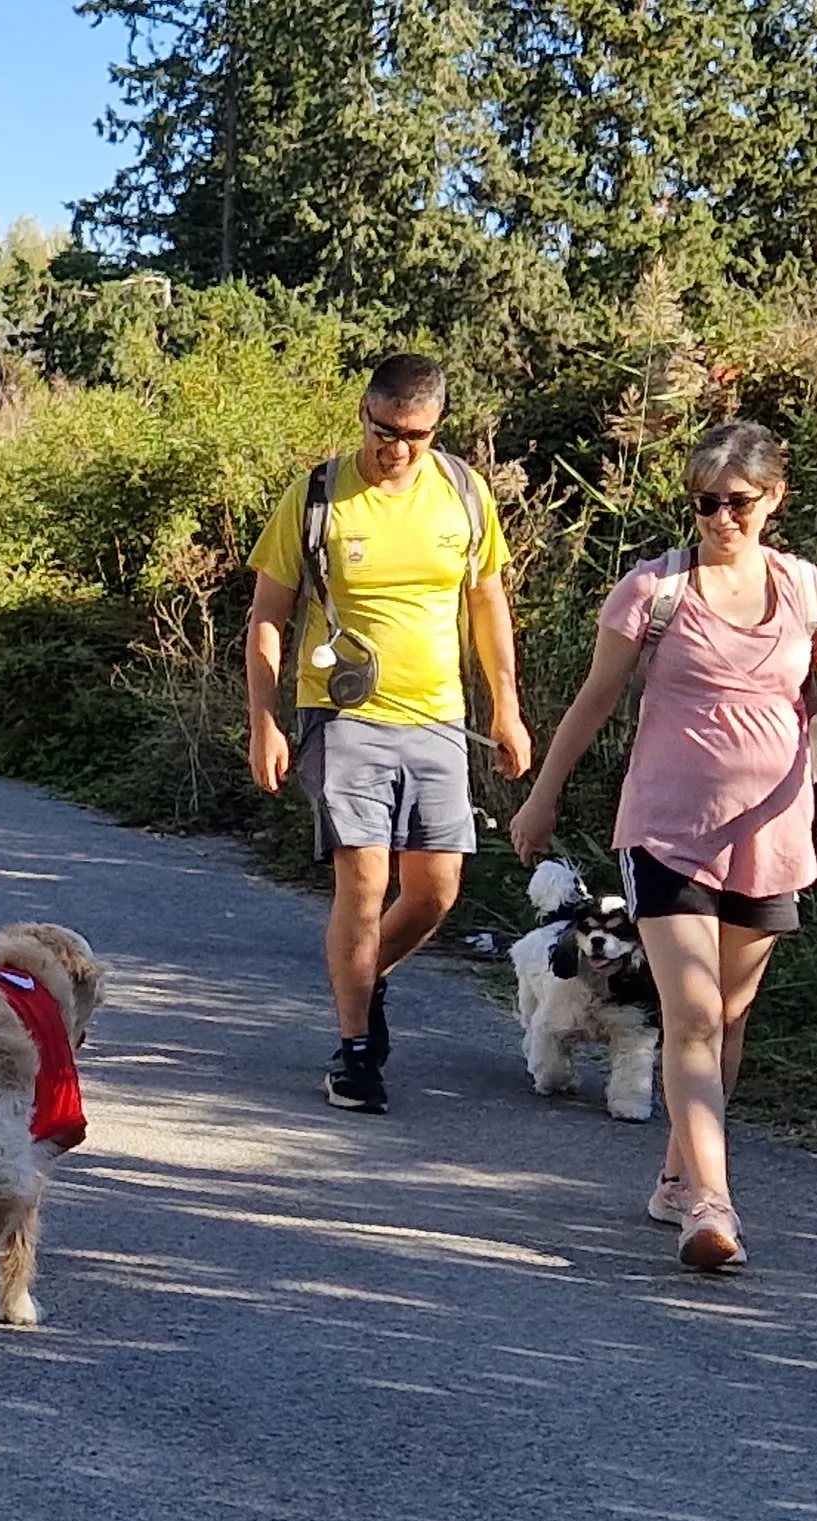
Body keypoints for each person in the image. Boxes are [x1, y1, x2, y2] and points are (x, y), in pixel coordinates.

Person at [510, 421, 817, 1272]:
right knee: (694, 1019)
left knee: (728, 1020)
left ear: (773, 498)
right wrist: (545, 794)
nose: (719, 519)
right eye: (705, 502)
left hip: (770, 836)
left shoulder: (809, 591)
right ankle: (713, 1205)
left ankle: (676, 1179)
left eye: (737, 502)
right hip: (666, 833)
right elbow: (596, 698)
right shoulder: (653, 590)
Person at [243, 352, 535, 1115]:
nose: (396, 449)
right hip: (340, 715)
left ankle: (364, 975)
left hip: (438, 717)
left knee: (437, 892)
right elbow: (268, 618)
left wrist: (506, 707)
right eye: (384, 430)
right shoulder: (317, 497)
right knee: (364, 879)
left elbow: (487, 605)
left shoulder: (464, 496)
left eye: (416, 435)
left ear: (436, 428)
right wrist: (264, 723)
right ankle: (356, 1051)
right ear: (363, 412)